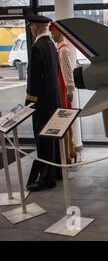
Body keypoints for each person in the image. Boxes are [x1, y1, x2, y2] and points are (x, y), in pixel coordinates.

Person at [25, 13, 61, 191]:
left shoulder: (37, 47)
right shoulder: (51, 45)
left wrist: (29, 103)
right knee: (53, 137)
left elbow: (35, 81)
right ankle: (57, 171)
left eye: (31, 27)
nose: (31, 30)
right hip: (53, 101)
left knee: (43, 140)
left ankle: (47, 177)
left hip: (42, 104)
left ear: (36, 27)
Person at [50, 25, 77, 164]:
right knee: (64, 120)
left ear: (58, 32)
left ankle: (69, 152)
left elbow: (67, 71)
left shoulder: (63, 50)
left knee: (65, 120)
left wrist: (69, 89)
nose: (52, 35)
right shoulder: (60, 49)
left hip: (63, 88)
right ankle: (68, 151)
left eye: (53, 32)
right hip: (61, 86)